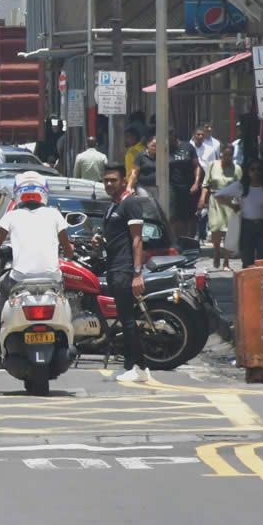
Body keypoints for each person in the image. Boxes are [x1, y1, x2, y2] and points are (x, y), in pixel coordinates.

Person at [0, 172, 75, 299]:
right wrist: (70, 250)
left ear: (18, 193)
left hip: (20, 278)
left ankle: (2, 319)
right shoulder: (54, 214)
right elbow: (68, 251)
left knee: (1, 286)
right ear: (44, 192)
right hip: (52, 278)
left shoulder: (11, 216)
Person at [100, 163, 151, 383]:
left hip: (125, 268)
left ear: (123, 181)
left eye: (113, 180)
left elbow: (137, 240)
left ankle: (139, 366)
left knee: (128, 320)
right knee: (123, 318)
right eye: (106, 180)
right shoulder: (113, 206)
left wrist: (137, 273)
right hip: (113, 267)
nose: (109, 183)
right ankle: (129, 365)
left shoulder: (130, 204)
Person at [198, 144, 241, 271]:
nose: (227, 157)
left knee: (228, 232)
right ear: (221, 153)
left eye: (230, 155)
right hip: (215, 200)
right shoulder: (213, 165)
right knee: (216, 228)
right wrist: (202, 199)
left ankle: (226, 261)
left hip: (230, 201)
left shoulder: (237, 169)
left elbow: (240, 187)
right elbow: (206, 184)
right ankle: (217, 251)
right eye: (225, 154)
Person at [166, 131, 201, 239]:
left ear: (174, 136)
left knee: (189, 216)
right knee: (174, 215)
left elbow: (197, 166)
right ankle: (177, 240)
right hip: (172, 186)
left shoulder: (188, 147)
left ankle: (190, 240)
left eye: (169, 138)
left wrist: (196, 183)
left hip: (188, 186)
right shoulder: (164, 149)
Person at [237, 159, 263, 268]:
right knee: (247, 257)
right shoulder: (243, 187)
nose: (256, 172)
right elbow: (220, 194)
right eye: (252, 169)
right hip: (247, 224)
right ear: (247, 171)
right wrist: (233, 206)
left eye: (259, 169)